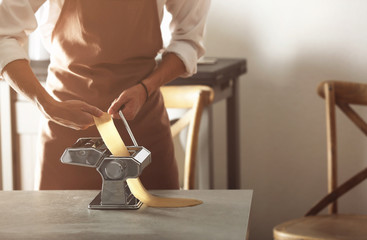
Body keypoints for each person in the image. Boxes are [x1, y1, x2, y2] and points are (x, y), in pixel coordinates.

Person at [0, 0, 210, 190]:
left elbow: (188, 40)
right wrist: (46, 104)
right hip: (66, 128)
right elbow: (3, 33)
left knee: (157, 229)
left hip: (142, 127)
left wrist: (145, 88)